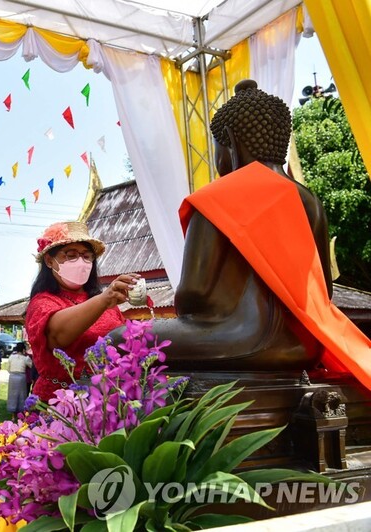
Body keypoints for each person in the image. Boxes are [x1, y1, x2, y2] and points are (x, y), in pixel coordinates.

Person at [143, 80, 371, 385]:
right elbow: (322, 293)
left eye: (217, 147)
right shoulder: (309, 200)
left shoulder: (218, 196)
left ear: (232, 143)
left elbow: (192, 294)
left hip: (236, 341)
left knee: (122, 339)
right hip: (304, 346)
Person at [25, 221, 138, 401]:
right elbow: (58, 335)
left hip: (108, 400)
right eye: (71, 255)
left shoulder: (108, 305)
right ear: (48, 260)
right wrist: (103, 299)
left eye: (87, 256)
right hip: (61, 403)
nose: (81, 262)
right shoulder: (42, 303)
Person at [7, 342, 32, 419]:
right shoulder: (25, 358)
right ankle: (20, 413)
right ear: (23, 350)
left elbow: (8, 368)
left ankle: (13, 415)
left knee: (12, 395)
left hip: (12, 377)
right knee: (21, 395)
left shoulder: (11, 357)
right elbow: (31, 365)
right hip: (21, 377)